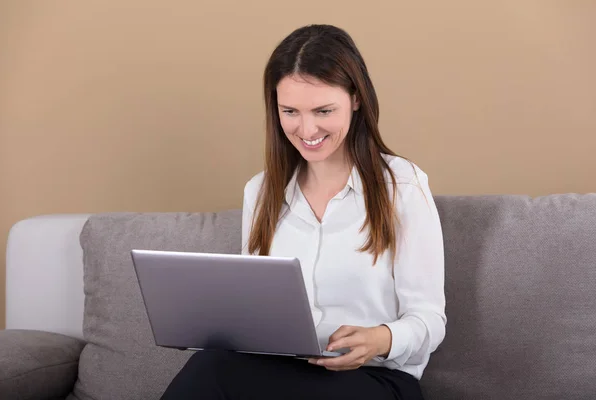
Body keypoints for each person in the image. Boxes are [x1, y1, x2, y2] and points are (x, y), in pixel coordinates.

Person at [161, 24, 446, 400]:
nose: (306, 128)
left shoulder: (402, 186)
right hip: (283, 373)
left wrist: (380, 339)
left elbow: (429, 319)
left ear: (356, 99)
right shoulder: (261, 192)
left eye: (323, 110)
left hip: (374, 381)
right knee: (210, 364)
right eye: (290, 111)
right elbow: (254, 311)